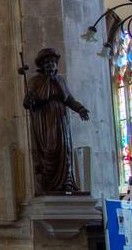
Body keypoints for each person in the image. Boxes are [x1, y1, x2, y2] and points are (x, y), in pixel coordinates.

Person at [22, 48, 90, 194]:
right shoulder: (35, 81)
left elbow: (69, 99)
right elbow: (28, 102)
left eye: (53, 62)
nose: (50, 65)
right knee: (50, 148)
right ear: (41, 65)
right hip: (45, 119)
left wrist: (80, 109)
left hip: (61, 119)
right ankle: (49, 183)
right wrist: (30, 99)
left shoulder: (60, 80)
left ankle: (66, 183)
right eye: (47, 62)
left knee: (64, 149)